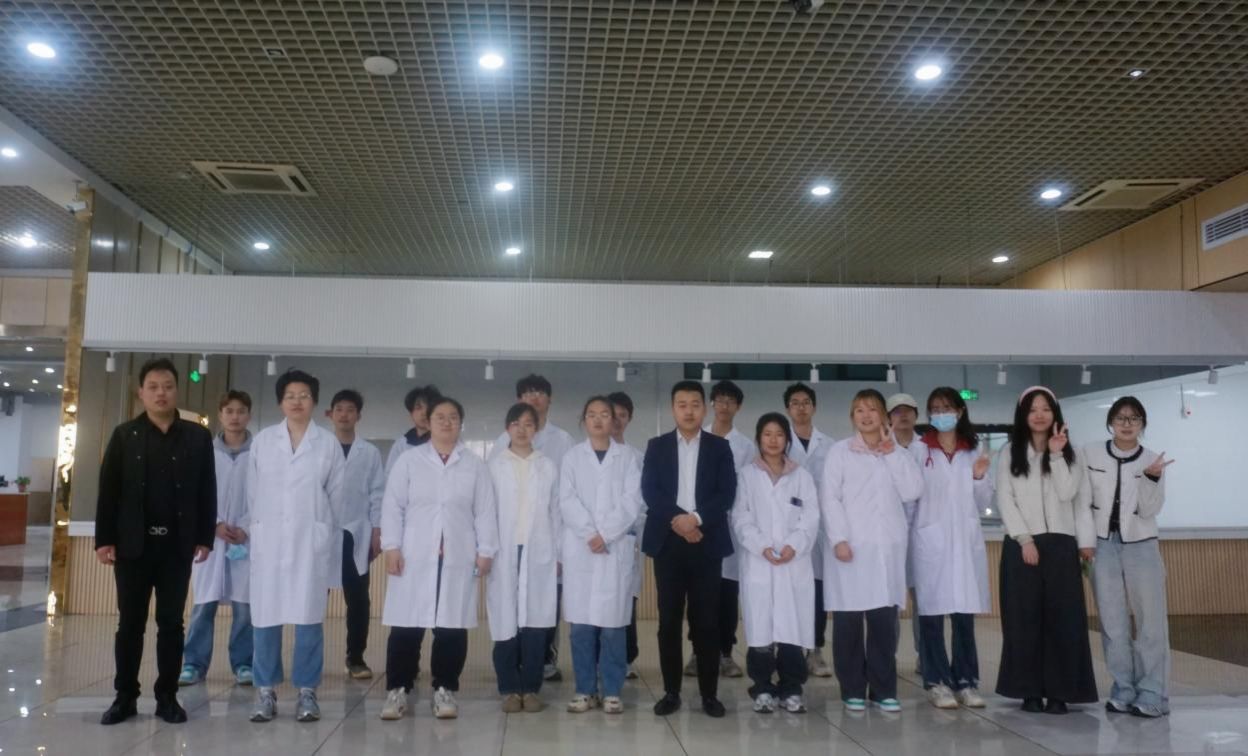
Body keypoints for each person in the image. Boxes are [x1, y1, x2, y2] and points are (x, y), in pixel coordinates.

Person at [96, 358, 217, 725]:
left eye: (167, 386)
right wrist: (104, 539)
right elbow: (108, 491)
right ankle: (125, 697)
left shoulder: (197, 436)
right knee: (130, 624)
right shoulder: (124, 435)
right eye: (153, 387)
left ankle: (167, 697)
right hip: (133, 547)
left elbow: (207, 490)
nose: (161, 393)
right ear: (141, 393)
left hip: (176, 547)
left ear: (177, 391)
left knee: (171, 624)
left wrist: (204, 537)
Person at [380, 396, 498, 721]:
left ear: (461, 423)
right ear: (428, 422)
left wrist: (486, 550)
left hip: (457, 556)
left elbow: (485, 511)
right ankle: (398, 689)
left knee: (451, 626)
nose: (447, 423)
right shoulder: (409, 461)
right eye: (440, 417)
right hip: (414, 555)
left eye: (453, 417)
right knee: (406, 626)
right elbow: (392, 506)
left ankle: (445, 689)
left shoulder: (474, 465)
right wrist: (392, 546)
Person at [247, 369, 346, 723]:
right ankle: (265, 691)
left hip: (309, 542)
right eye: (290, 396)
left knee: (308, 618)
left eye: (304, 395)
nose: (297, 401)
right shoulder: (263, 442)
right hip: (270, 542)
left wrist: (324, 536)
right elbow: (253, 494)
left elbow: (336, 498)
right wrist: (259, 530)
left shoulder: (327, 444)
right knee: (266, 618)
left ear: (314, 401)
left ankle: (307, 691)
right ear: (280, 402)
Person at [995, 387, 1097, 715]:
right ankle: (1028, 691)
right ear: (1023, 415)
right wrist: (1024, 539)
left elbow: (1069, 494)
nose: (1039, 415)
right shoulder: (1010, 452)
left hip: (1061, 544)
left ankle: (1060, 692)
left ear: (1055, 413)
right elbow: (1005, 498)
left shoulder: (1072, 452)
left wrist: (1056, 454)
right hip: (1022, 544)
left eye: (1045, 409)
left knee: (1063, 621)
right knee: (1023, 620)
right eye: (1032, 409)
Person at [821, 389, 922, 713]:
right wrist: (838, 538)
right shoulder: (839, 452)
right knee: (849, 624)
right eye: (859, 410)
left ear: (883, 417)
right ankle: (852, 688)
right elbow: (829, 498)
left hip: (884, 552)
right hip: (850, 549)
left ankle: (883, 689)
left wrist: (892, 455)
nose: (866, 416)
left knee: (883, 625)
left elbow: (913, 491)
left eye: (872, 410)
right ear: (852, 417)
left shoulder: (897, 453)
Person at [642, 380, 737, 718]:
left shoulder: (719, 447)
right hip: (668, 543)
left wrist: (695, 519)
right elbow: (650, 491)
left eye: (695, 404)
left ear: (704, 408)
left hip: (706, 542)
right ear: (673, 409)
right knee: (668, 620)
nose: (689, 411)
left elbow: (726, 493)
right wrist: (679, 521)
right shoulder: (657, 446)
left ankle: (709, 695)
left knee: (707, 621)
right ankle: (671, 692)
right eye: (682, 404)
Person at [1079, 396, 1173, 718]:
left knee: (1150, 622)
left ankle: (1153, 691)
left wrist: (1151, 478)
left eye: (1134, 418)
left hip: (1141, 545)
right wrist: (1085, 542)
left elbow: (1149, 510)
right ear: (1111, 422)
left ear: (1142, 424)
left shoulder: (1152, 460)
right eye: (1121, 417)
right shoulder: (1090, 453)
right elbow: (1082, 501)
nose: (1127, 424)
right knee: (1112, 622)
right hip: (1102, 546)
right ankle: (1123, 687)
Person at [489, 374, 577, 681]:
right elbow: (489, 501)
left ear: (549, 399)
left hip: (542, 542)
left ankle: (544, 662)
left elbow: (561, 503)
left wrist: (561, 550)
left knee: (543, 605)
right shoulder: (499, 448)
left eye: (540, 392)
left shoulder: (562, 442)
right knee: (507, 607)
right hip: (508, 542)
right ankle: (509, 673)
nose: (534, 397)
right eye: (528, 393)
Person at [909, 388, 993, 709]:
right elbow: (909, 498)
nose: (941, 413)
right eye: (935, 408)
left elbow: (983, 502)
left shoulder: (973, 449)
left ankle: (967, 682)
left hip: (964, 543)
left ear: (959, 411)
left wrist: (979, 478)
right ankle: (937, 682)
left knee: (963, 617)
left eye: (946, 408)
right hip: (929, 542)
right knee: (931, 617)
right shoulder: (919, 450)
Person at [732, 412, 820, 714]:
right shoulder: (747, 475)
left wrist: (794, 545)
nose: (773, 440)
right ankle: (762, 688)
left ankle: (792, 689)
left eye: (779, 434)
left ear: (787, 440)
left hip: (793, 563)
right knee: (761, 631)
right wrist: (762, 547)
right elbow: (740, 517)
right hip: (760, 562)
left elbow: (811, 517)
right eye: (767, 434)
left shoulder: (801, 476)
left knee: (792, 629)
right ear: (759, 439)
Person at [560, 396, 644, 714]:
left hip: (613, 547)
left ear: (614, 421)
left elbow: (632, 501)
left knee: (613, 627)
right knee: (581, 627)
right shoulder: (572, 457)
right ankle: (584, 690)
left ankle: (611, 690)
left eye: (604, 414)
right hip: (581, 548)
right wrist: (589, 534)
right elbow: (566, 500)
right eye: (592, 414)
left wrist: (605, 534)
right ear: (584, 420)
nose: (598, 420)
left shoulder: (629, 458)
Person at [486, 402, 561, 714]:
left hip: (539, 552)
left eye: (528, 424)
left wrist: (558, 553)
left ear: (536, 429)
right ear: (507, 428)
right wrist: (485, 549)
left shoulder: (547, 466)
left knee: (535, 622)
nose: (521, 429)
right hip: (503, 552)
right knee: (504, 620)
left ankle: (530, 689)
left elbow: (556, 513)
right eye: (516, 423)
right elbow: (485, 512)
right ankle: (508, 689)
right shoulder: (493, 466)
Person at [180, 390, 255, 689]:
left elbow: (266, 496)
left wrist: (246, 528)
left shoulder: (259, 454)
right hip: (209, 540)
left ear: (249, 415)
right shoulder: (203, 452)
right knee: (204, 605)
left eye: (241, 411)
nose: (235, 417)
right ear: (220, 415)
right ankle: (193, 664)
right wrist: (214, 525)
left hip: (246, 540)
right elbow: (193, 495)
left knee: (245, 607)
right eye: (229, 411)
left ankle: (244, 663)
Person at [685, 380, 755, 679]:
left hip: (728, 529)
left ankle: (725, 653)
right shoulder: (695, 437)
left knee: (726, 595)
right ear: (711, 404)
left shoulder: (746, 446)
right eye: (720, 400)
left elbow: (745, 490)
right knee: (698, 595)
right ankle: (697, 652)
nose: (724, 406)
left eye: (730, 401)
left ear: (738, 407)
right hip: (696, 527)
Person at [326, 389, 386, 680]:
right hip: (322, 531)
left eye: (350, 409)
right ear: (330, 414)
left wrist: (377, 529)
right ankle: (308, 658)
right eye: (339, 409)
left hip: (355, 532)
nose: (344, 414)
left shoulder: (369, 453)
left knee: (359, 599)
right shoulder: (320, 449)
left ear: (358, 416)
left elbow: (377, 493)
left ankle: (356, 657)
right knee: (312, 597)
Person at [784, 382, 835, 677]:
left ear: (813, 407)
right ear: (787, 409)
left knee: (817, 592)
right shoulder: (778, 442)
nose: (801, 407)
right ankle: (789, 650)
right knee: (789, 592)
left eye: (805, 402)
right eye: (795, 403)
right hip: (787, 529)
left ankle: (815, 650)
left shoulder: (830, 445)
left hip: (819, 529)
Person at [607, 390, 646, 680]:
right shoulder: (586, 455)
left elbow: (643, 503)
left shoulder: (638, 457)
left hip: (627, 539)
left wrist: (625, 527)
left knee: (626, 600)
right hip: (596, 542)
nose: (617, 420)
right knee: (599, 602)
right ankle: (601, 659)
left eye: (623, 415)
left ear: (629, 419)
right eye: (613, 415)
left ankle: (627, 658)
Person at [886, 392, 924, 674]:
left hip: (922, 534)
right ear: (889, 417)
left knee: (923, 599)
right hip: (889, 535)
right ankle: (888, 656)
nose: (903, 415)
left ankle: (925, 656)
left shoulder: (928, 449)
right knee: (889, 600)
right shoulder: (881, 448)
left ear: (916, 415)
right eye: (897, 411)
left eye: (908, 410)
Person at [385, 385, 441, 474]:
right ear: (411, 415)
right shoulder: (401, 444)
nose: (424, 413)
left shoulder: (446, 442)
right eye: (418, 408)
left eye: (429, 407)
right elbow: (390, 475)